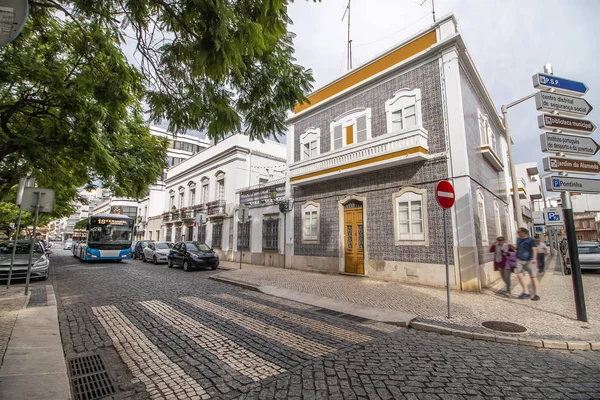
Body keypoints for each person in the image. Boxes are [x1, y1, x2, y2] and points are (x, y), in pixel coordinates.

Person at [516, 228, 540, 301]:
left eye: (519, 232)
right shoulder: (518, 240)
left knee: (533, 277)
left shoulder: (531, 240)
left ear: (524, 232)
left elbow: (534, 249)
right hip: (520, 260)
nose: (518, 233)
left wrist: (534, 259)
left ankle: (537, 294)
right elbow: (518, 249)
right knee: (519, 275)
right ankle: (526, 291)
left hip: (530, 260)